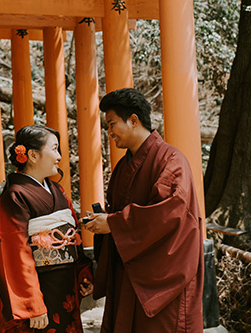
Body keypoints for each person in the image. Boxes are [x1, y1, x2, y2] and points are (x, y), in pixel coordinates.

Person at [84, 88, 204, 333]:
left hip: (162, 278)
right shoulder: (122, 167)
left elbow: (168, 213)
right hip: (129, 274)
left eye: (112, 124)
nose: (110, 133)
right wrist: (104, 223)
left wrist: (114, 223)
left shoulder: (171, 160)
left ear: (134, 120)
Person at [0, 124, 94, 333]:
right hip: (38, 291)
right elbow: (15, 253)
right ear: (33, 156)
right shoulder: (14, 196)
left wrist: (83, 273)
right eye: (54, 149)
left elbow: (72, 236)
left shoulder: (58, 191)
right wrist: (31, 304)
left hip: (65, 287)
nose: (59, 156)